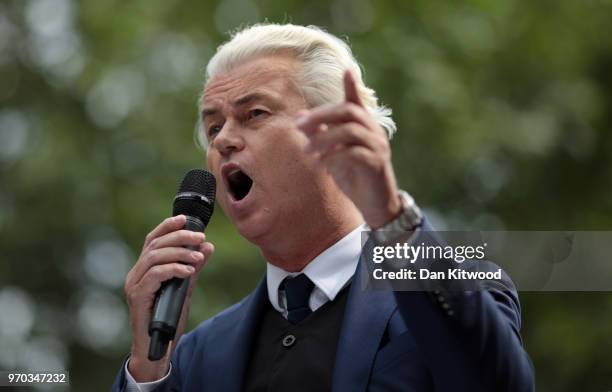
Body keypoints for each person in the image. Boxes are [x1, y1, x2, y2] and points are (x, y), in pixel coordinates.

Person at [112, 23, 534, 391]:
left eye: (254, 113)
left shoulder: (465, 290)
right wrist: (148, 365)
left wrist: (389, 214)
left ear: (334, 133)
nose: (222, 140)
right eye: (213, 126)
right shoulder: (196, 356)